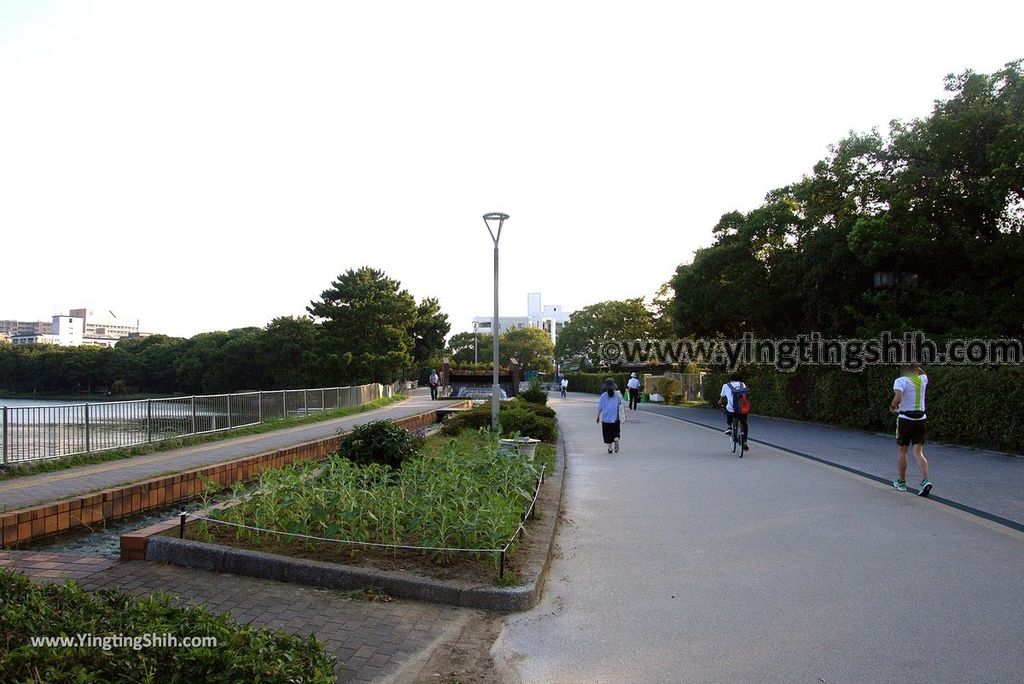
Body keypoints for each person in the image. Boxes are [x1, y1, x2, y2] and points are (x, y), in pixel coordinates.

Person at [889, 364, 932, 496]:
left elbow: (898, 398)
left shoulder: (901, 381)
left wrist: (892, 406)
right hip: (921, 418)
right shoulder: (923, 380)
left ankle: (902, 482)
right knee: (918, 452)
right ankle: (925, 480)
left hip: (905, 419)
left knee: (903, 450)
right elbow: (923, 373)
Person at [718, 373, 750, 451]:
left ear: (730, 379)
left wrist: (719, 402)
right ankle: (745, 441)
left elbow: (722, 398)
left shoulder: (726, 386)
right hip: (743, 408)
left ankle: (729, 427)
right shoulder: (742, 384)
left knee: (729, 409)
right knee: (744, 422)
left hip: (732, 409)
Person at [596, 378, 623, 453]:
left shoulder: (603, 396)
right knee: (616, 432)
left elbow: (599, 407)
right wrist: (623, 415)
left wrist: (598, 416)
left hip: (606, 419)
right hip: (615, 418)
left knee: (607, 435)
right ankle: (616, 439)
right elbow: (621, 406)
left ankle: (610, 449)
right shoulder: (618, 395)